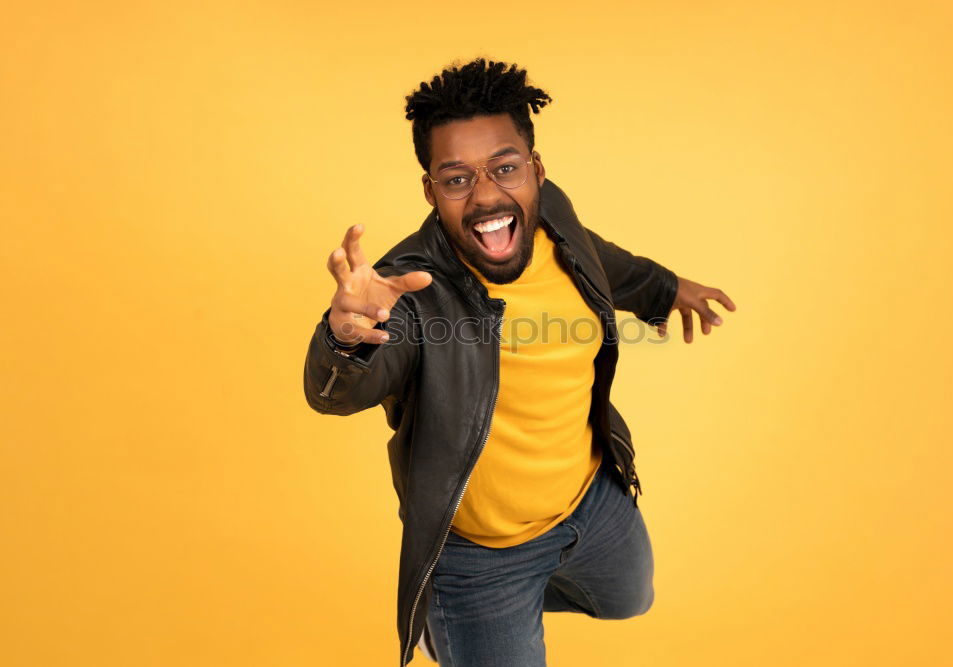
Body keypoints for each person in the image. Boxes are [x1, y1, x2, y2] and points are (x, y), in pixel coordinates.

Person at [302, 57, 736, 666]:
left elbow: (597, 257)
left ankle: (488, 621)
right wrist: (346, 336)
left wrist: (665, 289)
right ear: (430, 190)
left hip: (591, 497)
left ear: (535, 169)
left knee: (630, 598)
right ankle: (457, 619)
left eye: (505, 168)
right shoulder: (408, 289)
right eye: (456, 179)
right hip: (481, 556)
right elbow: (334, 393)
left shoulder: (551, 210)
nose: (486, 195)